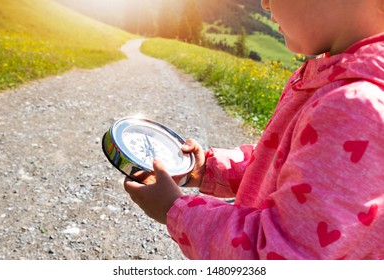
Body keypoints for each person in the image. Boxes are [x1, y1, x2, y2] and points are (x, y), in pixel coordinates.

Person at [124, 0, 384, 259]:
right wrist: (206, 170)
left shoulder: (355, 107)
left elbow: (278, 254)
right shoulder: (332, 73)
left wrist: (177, 210)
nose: (265, 3)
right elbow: (279, 164)